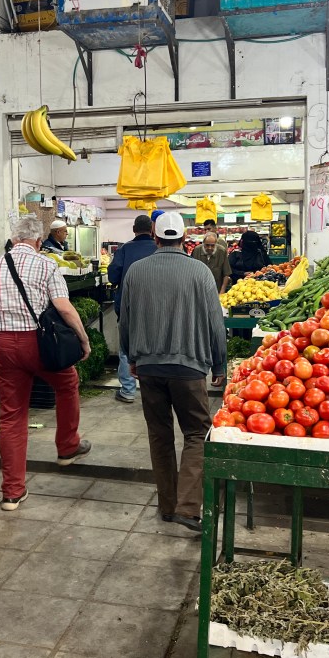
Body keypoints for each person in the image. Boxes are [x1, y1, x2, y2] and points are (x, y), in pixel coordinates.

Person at [0, 215, 92, 511]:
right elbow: (64, 307)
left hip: (1, 345)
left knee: (12, 415)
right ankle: (67, 446)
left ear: (13, 240)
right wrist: (83, 339)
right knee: (67, 383)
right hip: (36, 343)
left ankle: (12, 493)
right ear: (39, 241)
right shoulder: (46, 264)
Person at [119, 212, 227, 532]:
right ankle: (188, 507)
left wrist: (131, 357)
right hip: (189, 368)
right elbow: (215, 322)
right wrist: (219, 363)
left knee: (160, 434)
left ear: (155, 237)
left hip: (149, 367)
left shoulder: (136, 271)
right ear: (185, 238)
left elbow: (125, 319)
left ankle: (168, 506)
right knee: (197, 433)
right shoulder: (200, 271)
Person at [107, 215, 157, 403]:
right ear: (152, 230)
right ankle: (152, 391)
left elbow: (113, 276)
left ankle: (128, 391)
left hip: (128, 306)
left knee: (126, 348)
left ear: (134, 229)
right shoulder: (158, 248)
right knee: (154, 348)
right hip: (156, 307)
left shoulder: (124, 249)